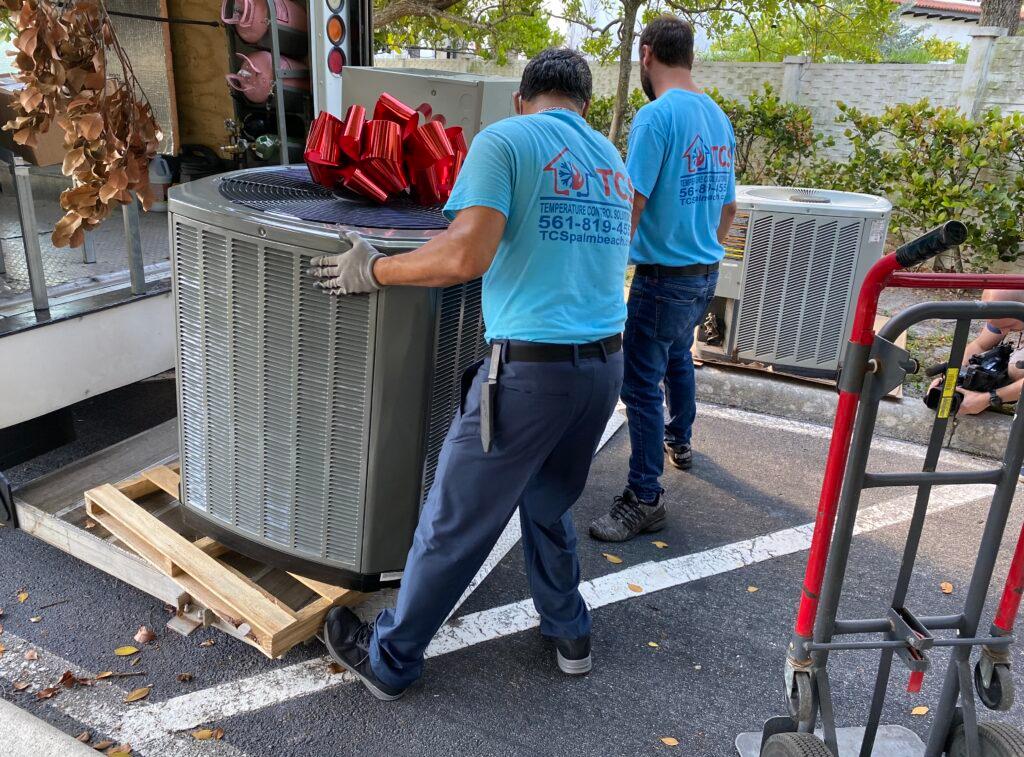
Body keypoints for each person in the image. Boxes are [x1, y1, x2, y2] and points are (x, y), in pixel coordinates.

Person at [309, 48, 634, 700]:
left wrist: (373, 269)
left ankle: (391, 658)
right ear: (586, 105)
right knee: (546, 501)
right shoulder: (610, 159)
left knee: (453, 518)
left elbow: (466, 252)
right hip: (604, 369)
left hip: (531, 376)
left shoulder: (507, 139)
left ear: (522, 97)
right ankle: (570, 632)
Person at [590, 16, 737, 543]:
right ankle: (681, 439)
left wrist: (607, 268)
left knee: (640, 386)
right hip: (704, 271)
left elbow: (633, 201)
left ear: (647, 53)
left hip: (662, 276)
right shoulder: (718, 118)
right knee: (679, 355)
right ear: (689, 56)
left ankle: (645, 496)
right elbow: (729, 208)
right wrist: (706, 247)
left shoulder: (656, 118)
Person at [935, 289, 1024, 416]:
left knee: (1017, 368)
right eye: (999, 326)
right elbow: (980, 345)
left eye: (1011, 326)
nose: (1004, 332)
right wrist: (950, 379)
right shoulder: (1006, 317)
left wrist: (989, 398)